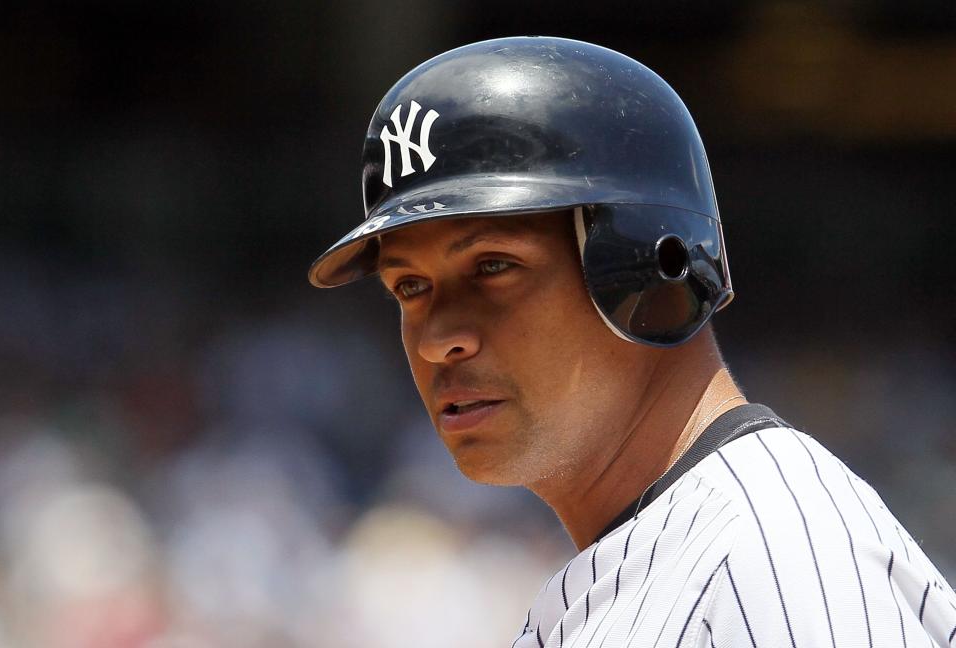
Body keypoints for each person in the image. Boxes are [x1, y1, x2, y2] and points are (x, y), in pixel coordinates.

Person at [309, 36, 956, 647]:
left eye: (492, 267)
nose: (437, 340)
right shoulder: (664, 564)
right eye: (410, 287)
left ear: (646, 264)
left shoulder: (773, 550)